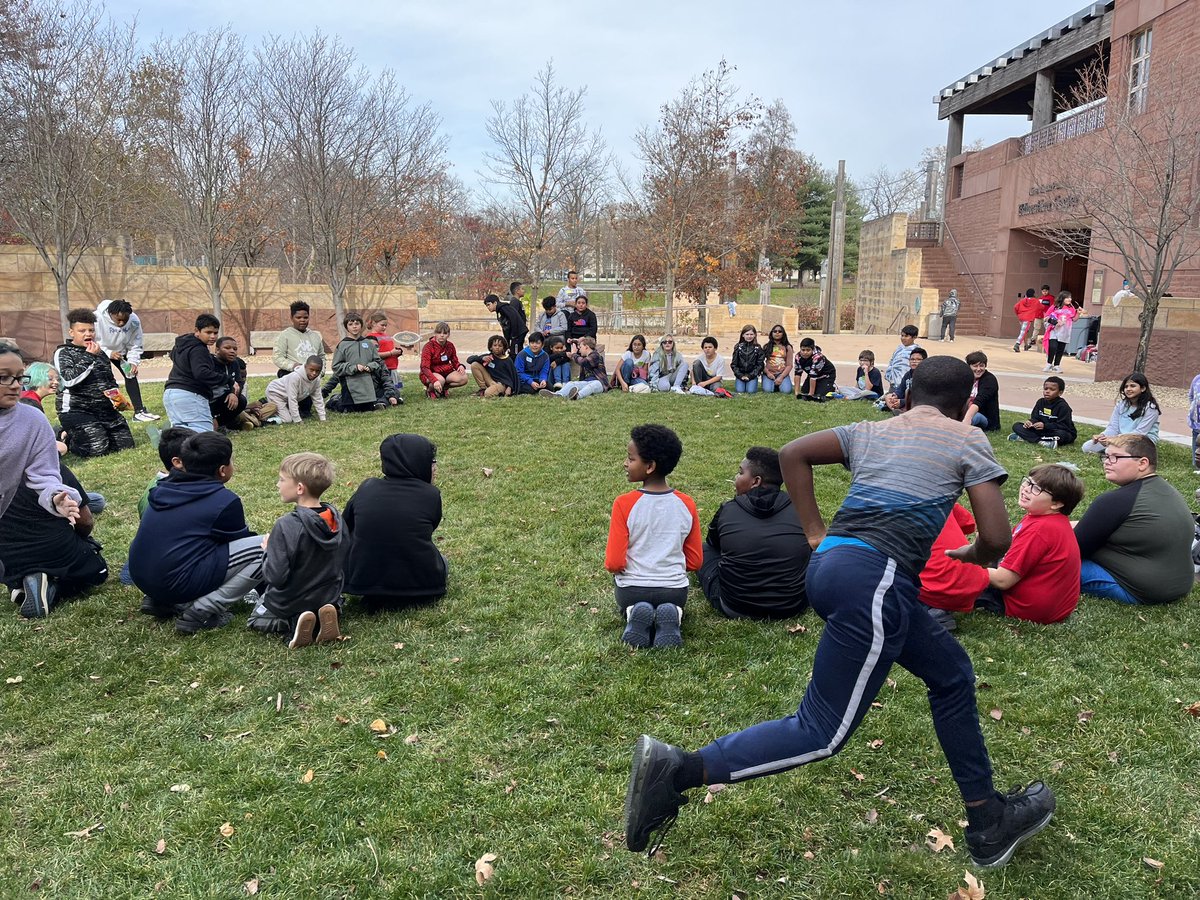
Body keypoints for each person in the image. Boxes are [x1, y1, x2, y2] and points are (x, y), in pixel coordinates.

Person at [623, 356, 1057, 870]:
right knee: (821, 730)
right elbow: (998, 536)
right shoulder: (967, 438)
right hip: (873, 581)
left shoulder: (869, 429)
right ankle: (678, 772)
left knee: (952, 675)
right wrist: (977, 557)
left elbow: (792, 453)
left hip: (833, 568)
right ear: (967, 403)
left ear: (907, 392)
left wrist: (814, 532)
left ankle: (988, 819)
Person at [130, 431, 265, 634]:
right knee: (270, 547)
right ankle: (203, 611)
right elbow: (242, 544)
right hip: (174, 583)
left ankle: (163, 601)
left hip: (143, 579)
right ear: (222, 470)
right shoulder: (223, 500)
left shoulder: (162, 487)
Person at [605, 424, 702, 649]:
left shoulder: (624, 504)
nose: (625, 464)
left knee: (632, 602)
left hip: (631, 589)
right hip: (674, 590)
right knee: (671, 603)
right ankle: (673, 613)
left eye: (631, 459)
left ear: (649, 466)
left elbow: (614, 563)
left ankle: (633, 613)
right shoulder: (686, 504)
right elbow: (695, 561)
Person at [0, 343, 82, 596]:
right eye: (4, 378)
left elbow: (44, 474)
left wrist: (56, 496)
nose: (15, 385)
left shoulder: (31, 421)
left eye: (19, 377)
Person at [1075, 433, 1194, 605]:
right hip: (1181, 584)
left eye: (1116, 457)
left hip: (1140, 590)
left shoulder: (1115, 501)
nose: (1107, 462)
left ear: (1142, 463)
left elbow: (1075, 550)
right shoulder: (1166, 490)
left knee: (1049, 561)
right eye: (1106, 456)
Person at [246, 452, 347, 648]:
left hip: (291, 599)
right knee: (324, 600)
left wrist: (268, 550)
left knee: (255, 619)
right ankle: (328, 611)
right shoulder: (336, 518)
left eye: (282, 479)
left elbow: (276, 576)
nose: (277, 484)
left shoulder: (286, 525)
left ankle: (295, 621)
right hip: (328, 593)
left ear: (299, 488)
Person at [699, 447, 810, 620]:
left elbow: (714, 544)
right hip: (792, 606)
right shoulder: (800, 508)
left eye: (740, 472)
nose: (736, 477)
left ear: (755, 481)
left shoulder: (729, 509)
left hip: (735, 606)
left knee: (703, 550)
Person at [343, 434, 447, 611]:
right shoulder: (430, 494)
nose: (435, 467)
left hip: (364, 582)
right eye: (432, 461)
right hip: (423, 586)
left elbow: (346, 524)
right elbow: (428, 529)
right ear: (418, 461)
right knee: (443, 560)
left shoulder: (367, 487)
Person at [971, 463, 1084, 625]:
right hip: (1055, 607)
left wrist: (967, 568)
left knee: (960, 577)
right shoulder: (1050, 520)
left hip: (1026, 608)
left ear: (1057, 504)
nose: (1026, 489)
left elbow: (1003, 581)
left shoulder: (1039, 530)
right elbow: (1006, 547)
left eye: (1036, 489)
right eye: (1028, 482)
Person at [1, 458, 108, 618]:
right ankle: (52, 586)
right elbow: (85, 521)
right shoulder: (46, 464)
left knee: (96, 501)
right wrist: (79, 537)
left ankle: (20, 583)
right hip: (56, 551)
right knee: (99, 572)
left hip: (10, 562)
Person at [53, 308, 136, 457]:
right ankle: (64, 436)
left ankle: (98, 431)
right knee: (96, 449)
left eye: (91, 330)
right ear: (71, 332)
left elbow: (108, 381)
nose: (88, 334)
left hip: (104, 409)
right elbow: (69, 380)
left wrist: (118, 400)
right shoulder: (64, 352)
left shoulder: (100, 352)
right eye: (82, 330)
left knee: (125, 445)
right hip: (77, 410)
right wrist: (89, 357)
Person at [916, 504, 991, 632]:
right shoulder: (938, 497)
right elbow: (967, 523)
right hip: (975, 581)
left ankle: (929, 609)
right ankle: (938, 607)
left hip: (939, 586)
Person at [94, 298, 159, 422]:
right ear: (110, 314)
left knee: (131, 374)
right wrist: (107, 352)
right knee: (104, 379)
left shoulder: (134, 320)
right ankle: (105, 413)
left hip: (120, 352)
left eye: (125, 320)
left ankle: (139, 411)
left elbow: (136, 342)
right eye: (118, 320)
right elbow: (91, 339)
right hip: (99, 352)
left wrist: (133, 361)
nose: (121, 323)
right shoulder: (97, 318)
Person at [161, 313, 227, 433]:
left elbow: (173, 357)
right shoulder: (199, 349)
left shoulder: (181, 345)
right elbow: (201, 373)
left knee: (182, 433)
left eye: (216, 332)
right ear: (197, 331)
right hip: (190, 395)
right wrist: (227, 380)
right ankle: (163, 436)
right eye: (208, 332)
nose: (213, 336)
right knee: (203, 435)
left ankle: (167, 439)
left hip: (171, 393)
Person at [1081, 373, 1160, 454]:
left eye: (1133, 386)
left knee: (1114, 450)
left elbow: (1139, 433)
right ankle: (1114, 450)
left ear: (1143, 388)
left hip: (1141, 441)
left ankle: (1115, 450)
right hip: (1118, 439)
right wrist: (1102, 436)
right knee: (1086, 447)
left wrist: (1114, 440)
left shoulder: (1151, 408)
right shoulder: (1121, 405)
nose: (1128, 389)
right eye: (1126, 387)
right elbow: (1113, 427)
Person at [332, 314, 395, 411]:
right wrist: (354, 367)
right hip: (350, 385)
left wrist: (370, 366)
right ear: (346, 327)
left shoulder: (369, 343)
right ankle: (334, 401)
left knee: (367, 409)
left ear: (361, 325)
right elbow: (336, 366)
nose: (354, 326)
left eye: (357, 323)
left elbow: (377, 361)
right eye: (350, 324)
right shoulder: (342, 345)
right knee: (348, 410)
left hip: (367, 386)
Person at [273, 301, 326, 419]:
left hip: (311, 375)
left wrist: (321, 371)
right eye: (298, 317)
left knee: (305, 412)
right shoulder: (285, 335)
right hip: (291, 374)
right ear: (292, 318)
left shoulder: (315, 336)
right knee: (293, 409)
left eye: (305, 317)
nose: (302, 320)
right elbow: (277, 357)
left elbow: (322, 356)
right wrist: (293, 366)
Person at [1009, 377, 1076, 448]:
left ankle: (1026, 437)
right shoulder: (1040, 402)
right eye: (1045, 389)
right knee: (1016, 426)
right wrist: (1030, 422)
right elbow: (1035, 418)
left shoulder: (1063, 406)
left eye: (1052, 389)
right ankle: (1042, 441)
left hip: (1056, 431)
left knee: (1062, 435)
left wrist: (1045, 425)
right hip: (1041, 430)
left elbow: (1064, 426)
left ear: (1060, 392)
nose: (1047, 391)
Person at [266, 356, 328, 424]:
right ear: (305, 367)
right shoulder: (295, 377)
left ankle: (273, 406)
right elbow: (292, 399)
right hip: (275, 393)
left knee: (290, 415)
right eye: (311, 370)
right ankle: (262, 413)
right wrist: (297, 420)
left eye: (317, 371)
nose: (314, 373)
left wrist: (323, 418)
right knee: (287, 420)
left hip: (286, 397)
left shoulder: (317, 380)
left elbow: (318, 398)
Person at [544, 336, 608, 400]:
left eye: (580, 347)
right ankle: (558, 394)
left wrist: (574, 354)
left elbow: (583, 362)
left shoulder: (595, 355)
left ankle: (577, 396)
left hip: (600, 383)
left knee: (593, 385)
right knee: (571, 384)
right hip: (586, 382)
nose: (579, 350)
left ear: (586, 347)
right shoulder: (586, 357)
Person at [419, 322, 469, 400]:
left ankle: (443, 388)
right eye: (439, 333)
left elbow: (454, 361)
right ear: (435, 333)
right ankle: (430, 390)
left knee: (464, 378)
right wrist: (434, 380)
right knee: (440, 380)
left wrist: (459, 366)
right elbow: (424, 367)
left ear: (448, 335)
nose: (442, 335)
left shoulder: (450, 345)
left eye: (445, 333)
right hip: (431, 373)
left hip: (445, 371)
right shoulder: (428, 347)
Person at [210, 336, 248, 430]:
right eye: (227, 348)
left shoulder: (234, 363)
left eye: (235, 349)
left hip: (222, 399)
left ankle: (220, 425)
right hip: (207, 400)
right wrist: (213, 416)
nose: (232, 351)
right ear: (217, 350)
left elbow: (239, 382)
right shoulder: (210, 362)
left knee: (241, 401)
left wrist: (233, 393)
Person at [963, 351, 1000, 431]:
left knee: (975, 417)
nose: (978, 369)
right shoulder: (965, 378)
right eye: (975, 366)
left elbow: (979, 402)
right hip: (965, 412)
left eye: (981, 366)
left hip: (984, 417)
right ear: (969, 366)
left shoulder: (990, 380)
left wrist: (966, 419)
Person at [366, 311, 403, 390]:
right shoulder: (370, 337)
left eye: (386, 325)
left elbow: (389, 348)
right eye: (382, 325)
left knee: (394, 388)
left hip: (392, 366)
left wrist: (397, 352)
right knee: (385, 387)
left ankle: (395, 396)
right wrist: (390, 353)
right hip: (382, 368)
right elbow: (373, 354)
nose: (384, 327)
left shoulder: (386, 335)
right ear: (373, 323)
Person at [730, 325, 764, 394]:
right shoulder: (738, 347)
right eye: (747, 334)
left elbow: (760, 365)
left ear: (755, 335)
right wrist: (740, 375)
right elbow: (734, 364)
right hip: (741, 374)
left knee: (750, 391)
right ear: (743, 335)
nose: (749, 336)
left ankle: (752, 382)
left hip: (752, 375)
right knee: (740, 391)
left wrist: (750, 376)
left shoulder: (758, 348)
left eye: (751, 334)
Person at [884, 325, 919, 390]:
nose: (903, 338)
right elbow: (892, 362)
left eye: (906, 336)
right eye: (902, 336)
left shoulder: (917, 351)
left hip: (907, 385)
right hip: (893, 383)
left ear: (914, 337)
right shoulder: (899, 348)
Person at [761, 325, 793, 394]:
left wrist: (781, 377)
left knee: (786, 391)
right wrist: (768, 373)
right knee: (767, 391)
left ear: (783, 334)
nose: (777, 333)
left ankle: (778, 384)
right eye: (775, 331)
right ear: (771, 333)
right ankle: (772, 384)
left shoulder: (788, 347)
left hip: (782, 373)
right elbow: (760, 362)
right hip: (769, 374)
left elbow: (789, 365)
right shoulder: (766, 346)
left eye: (780, 331)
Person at [1189, 369, 1200, 473]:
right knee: (1196, 441)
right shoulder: (1197, 379)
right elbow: (1191, 396)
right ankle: (1196, 464)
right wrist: (1193, 409)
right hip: (1197, 420)